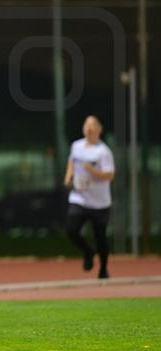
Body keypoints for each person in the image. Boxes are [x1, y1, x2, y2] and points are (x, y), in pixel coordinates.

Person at [63, 115, 115, 279]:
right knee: (71, 230)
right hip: (79, 198)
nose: (89, 128)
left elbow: (110, 175)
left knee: (100, 237)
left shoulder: (103, 152)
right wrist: (68, 178)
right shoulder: (76, 146)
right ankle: (88, 251)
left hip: (99, 202)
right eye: (86, 124)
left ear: (99, 129)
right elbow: (71, 162)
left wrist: (92, 171)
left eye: (93, 125)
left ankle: (103, 269)